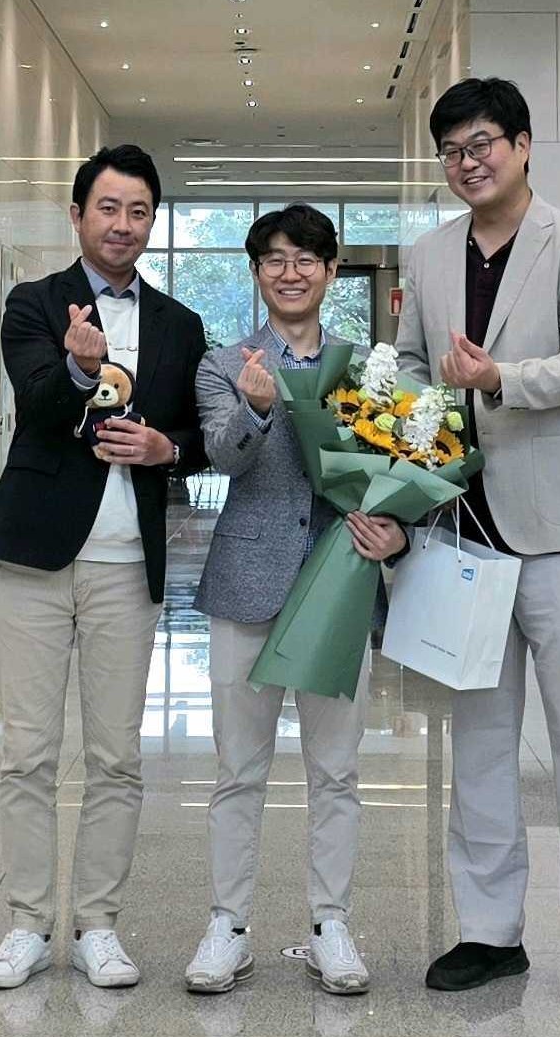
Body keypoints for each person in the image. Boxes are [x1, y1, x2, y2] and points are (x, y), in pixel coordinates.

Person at [396, 77, 560, 1011]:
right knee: (480, 744)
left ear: (524, 145)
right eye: (452, 150)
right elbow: (411, 367)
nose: (468, 162)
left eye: (483, 143)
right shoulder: (429, 255)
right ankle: (489, 932)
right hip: (465, 535)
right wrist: (414, 423)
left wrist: (498, 378)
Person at [0, 143, 208, 994]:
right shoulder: (34, 304)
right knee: (27, 754)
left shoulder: (180, 324)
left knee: (116, 757)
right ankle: (28, 925)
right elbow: (37, 404)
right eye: (108, 208)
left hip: (125, 566)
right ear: (78, 216)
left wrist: (165, 447)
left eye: (139, 211)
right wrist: (77, 364)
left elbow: (202, 434)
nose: (122, 224)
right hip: (35, 557)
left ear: (153, 222)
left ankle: (99, 925)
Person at [184, 204, 406, 1000]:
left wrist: (395, 530)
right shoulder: (225, 362)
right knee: (237, 770)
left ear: (331, 270)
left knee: (336, 771)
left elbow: (398, 471)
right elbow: (220, 457)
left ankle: (330, 926)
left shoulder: (367, 368)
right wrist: (256, 408)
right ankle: (227, 927)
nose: (290, 272)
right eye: (274, 259)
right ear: (256, 273)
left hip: (338, 585)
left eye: (306, 258)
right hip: (247, 583)